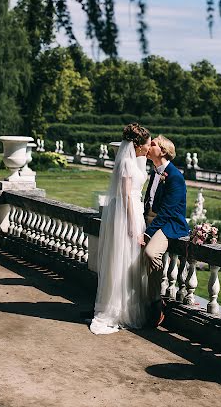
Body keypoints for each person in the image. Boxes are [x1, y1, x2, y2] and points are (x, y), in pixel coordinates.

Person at [90, 123, 151, 335]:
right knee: (121, 259)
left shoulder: (137, 160)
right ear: (138, 144)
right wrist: (133, 226)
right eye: (148, 142)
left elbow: (139, 182)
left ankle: (128, 306)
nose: (150, 145)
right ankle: (117, 309)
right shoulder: (125, 162)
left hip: (136, 210)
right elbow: (125, 196)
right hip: (127, 214)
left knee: (130, 261)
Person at [142, 135, 190, 326]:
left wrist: (146, 233)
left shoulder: (175, 177)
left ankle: (156, 302)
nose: (148, 146)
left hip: (169, 224)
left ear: (162, 151)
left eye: (152, 144)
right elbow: (149, 202)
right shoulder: (154, 172)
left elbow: (168, 212)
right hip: (150, 219)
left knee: (151, 252)